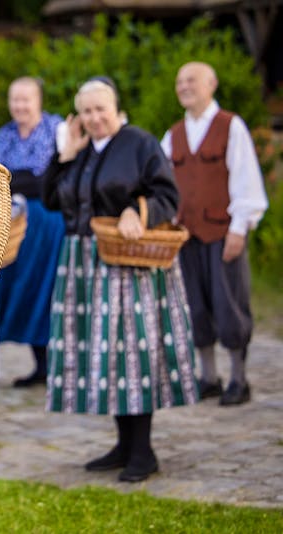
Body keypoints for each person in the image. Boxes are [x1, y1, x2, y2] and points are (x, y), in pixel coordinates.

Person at [43, 78, 199, 482]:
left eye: (102, 109)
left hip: (126, 263)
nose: (95, 118)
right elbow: (49, 198)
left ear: (116, 107)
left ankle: (143, 451)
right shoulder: (79, 151)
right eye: (87, 111)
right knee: (103, 353)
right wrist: (65, 155)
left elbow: (168, 195)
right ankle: (123, 444)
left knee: (131, 352)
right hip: (81, 260)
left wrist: (138, 210)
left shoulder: (140, 143)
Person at [160, 62, 268, 406]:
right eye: (179, 81)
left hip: (223, 232)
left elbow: (246, 180)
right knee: (195, 306)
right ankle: (209, 377)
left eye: (191, 79)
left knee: (229, 304)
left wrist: (240, 227)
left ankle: (239, 378)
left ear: (212, 83)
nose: (184, 86)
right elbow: (163, 184)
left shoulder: (229, 126)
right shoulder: (174, 134)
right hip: (186, 235)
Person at [0, 76, 66, 388]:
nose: (20, 106)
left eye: (26, 99)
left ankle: (57, 365)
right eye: (15, 100)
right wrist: (28, 179)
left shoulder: (57, 128)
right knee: (20, 288)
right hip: (15, 224)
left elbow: (55, 178)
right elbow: (0, 178)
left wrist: (25, 179)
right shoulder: (5, 133)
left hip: (49, 222)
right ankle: (40, 364)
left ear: (39, 101)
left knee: (46, 288)